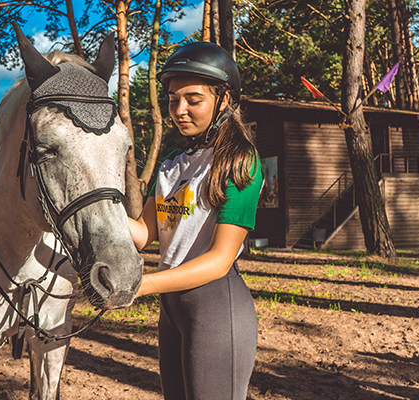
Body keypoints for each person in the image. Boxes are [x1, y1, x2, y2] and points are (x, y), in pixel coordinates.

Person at [129, 42, 263, 400]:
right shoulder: (172, 163)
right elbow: (142, 233)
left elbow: (220, 260)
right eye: (173, 99)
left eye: (193, 99)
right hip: (172, 310)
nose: (179, 110)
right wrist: (96, 204)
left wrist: (141, 285)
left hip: (216, 308)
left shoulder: (239, 161)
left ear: (224, 100)